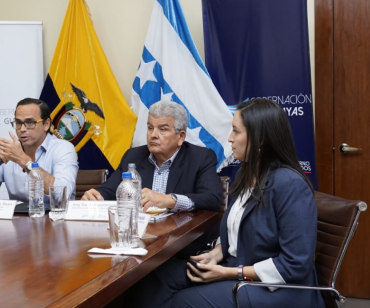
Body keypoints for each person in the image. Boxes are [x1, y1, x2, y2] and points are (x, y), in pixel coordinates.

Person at [129, 98, 325, 307]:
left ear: (260, 140)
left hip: (278, 289)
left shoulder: (290, 185)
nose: (230, 138)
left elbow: (294, 265)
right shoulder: (247, 174)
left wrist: (228, 273)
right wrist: (216, 254)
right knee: (154, 279)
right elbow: (238, 232)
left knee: (184, 302)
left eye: (236, 131)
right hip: (237, 266)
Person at [82, 100, 222, 213]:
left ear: (181, 137)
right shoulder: (133, 156)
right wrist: (97, 196)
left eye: (163, 129)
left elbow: (212, 199)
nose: (153, 135)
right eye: (150, 128)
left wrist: (169, 200)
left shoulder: (200, 158)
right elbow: (111, 189)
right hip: (140, 234)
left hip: (181, 238)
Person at [0, 98, 78, 207]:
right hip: (18, 221)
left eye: (30, 123)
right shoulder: (9, 151)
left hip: (54, 220)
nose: (22, 129)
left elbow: (61, 196)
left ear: (46, 124)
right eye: (18, 123)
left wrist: (24, 161)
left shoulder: (63, 149)